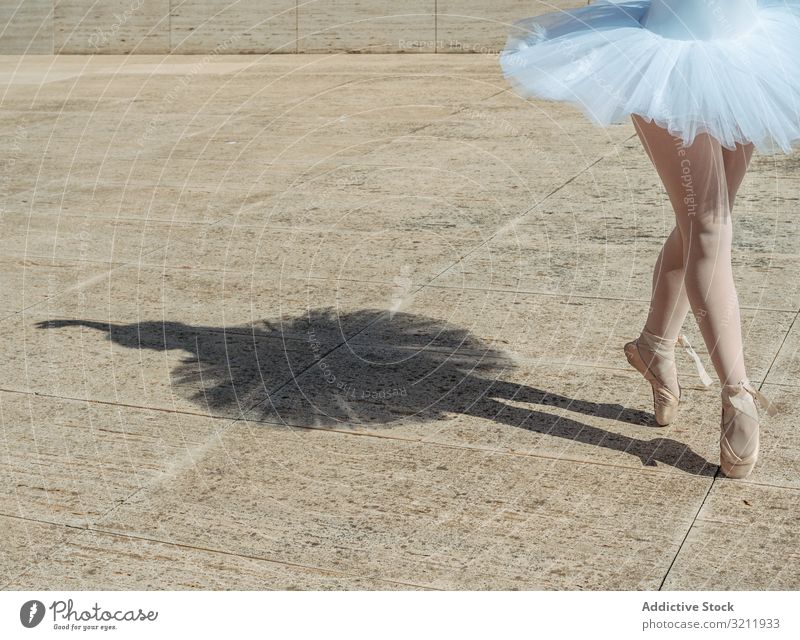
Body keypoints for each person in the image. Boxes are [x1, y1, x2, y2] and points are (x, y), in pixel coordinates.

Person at [499, 0, 799, 479]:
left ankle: (654, 346)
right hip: (670, 52)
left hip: (746, 41)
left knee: (710, 221)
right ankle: (738, 393)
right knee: (707, 225)